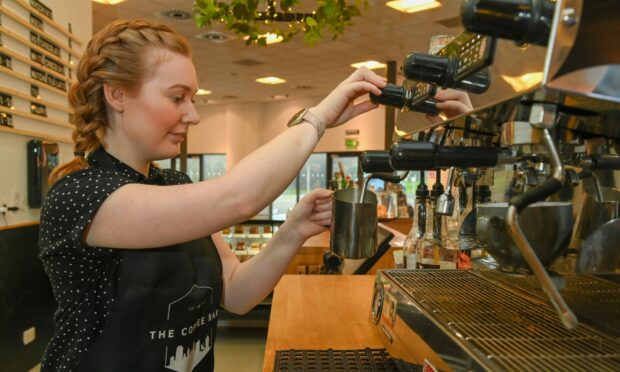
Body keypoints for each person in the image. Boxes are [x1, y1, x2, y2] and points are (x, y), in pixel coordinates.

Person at [38, 19, 386, 371]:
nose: (193, 115)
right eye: (177, 97)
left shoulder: (176, 182)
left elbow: (235, 293)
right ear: (117, 95)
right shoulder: (81, 194)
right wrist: (318, 118)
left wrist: (293, 231)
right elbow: (236, 198)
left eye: (193, 98)